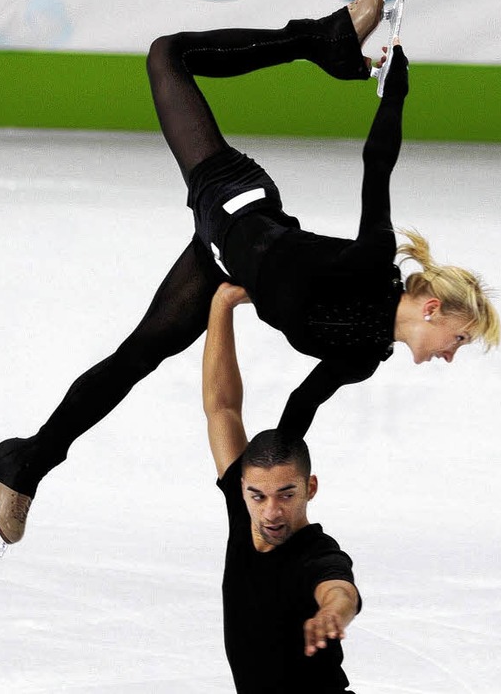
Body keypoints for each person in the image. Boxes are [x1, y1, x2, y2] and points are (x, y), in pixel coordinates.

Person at [0, 0, 500, 545]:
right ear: (432, 308)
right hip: (233, 201)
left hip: (224, 264)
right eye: (462, 338)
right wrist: (395, 96)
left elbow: (299, 409)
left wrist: (265, 498)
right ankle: (319, 40)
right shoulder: (373, 264)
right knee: (167, 54)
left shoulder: (364, 355)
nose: (453, 355)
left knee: (136, 355)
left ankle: (26, 464)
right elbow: (378, 166)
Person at [202, 281, 359, 693]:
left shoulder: (316, 553)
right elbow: (221, 406)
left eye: (286, 495)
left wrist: (334, 612)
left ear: (310, 487)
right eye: (258, 496)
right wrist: (223, 302)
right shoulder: (244, 510)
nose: (271, 511)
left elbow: (339, 588)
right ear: (243, 490)